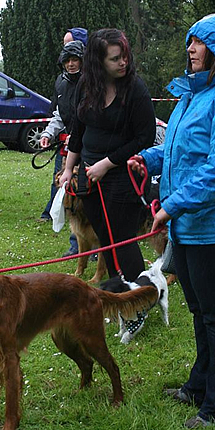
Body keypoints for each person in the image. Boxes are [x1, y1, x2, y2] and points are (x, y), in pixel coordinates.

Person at [129, 13, 215, 428]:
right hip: (189, 226)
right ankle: (199, 386)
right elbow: (177, 149)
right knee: (201, 311)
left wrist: (171, 206)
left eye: (199, 43)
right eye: (190, 41)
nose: (190, 49)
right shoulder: (193, 94)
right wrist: (144, 159)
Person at [60, 28, 155, 281]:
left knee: (121, 239)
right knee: (103, 236)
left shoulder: (136, 89)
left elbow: (144, 137)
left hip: (123, 175)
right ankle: (118, 290)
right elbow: (78, 130)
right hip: (89, 176)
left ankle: (137, 298)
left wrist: (107, 164)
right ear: (98, 62)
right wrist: (69, 169)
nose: (123, 62)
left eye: (124, 56)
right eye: (115, 58)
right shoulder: (85, 85)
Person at [39, 40, 85, 256]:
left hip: (91, 148)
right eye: (67, 60)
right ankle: (76, 245)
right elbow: (60, 114)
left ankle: (95, 247)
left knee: (88, 198)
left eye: (75, 59)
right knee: (68, 194)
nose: (71, 64)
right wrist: (49, 133)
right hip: (69, 148)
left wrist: (77, 137)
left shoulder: (91, 82)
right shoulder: (61, 83)